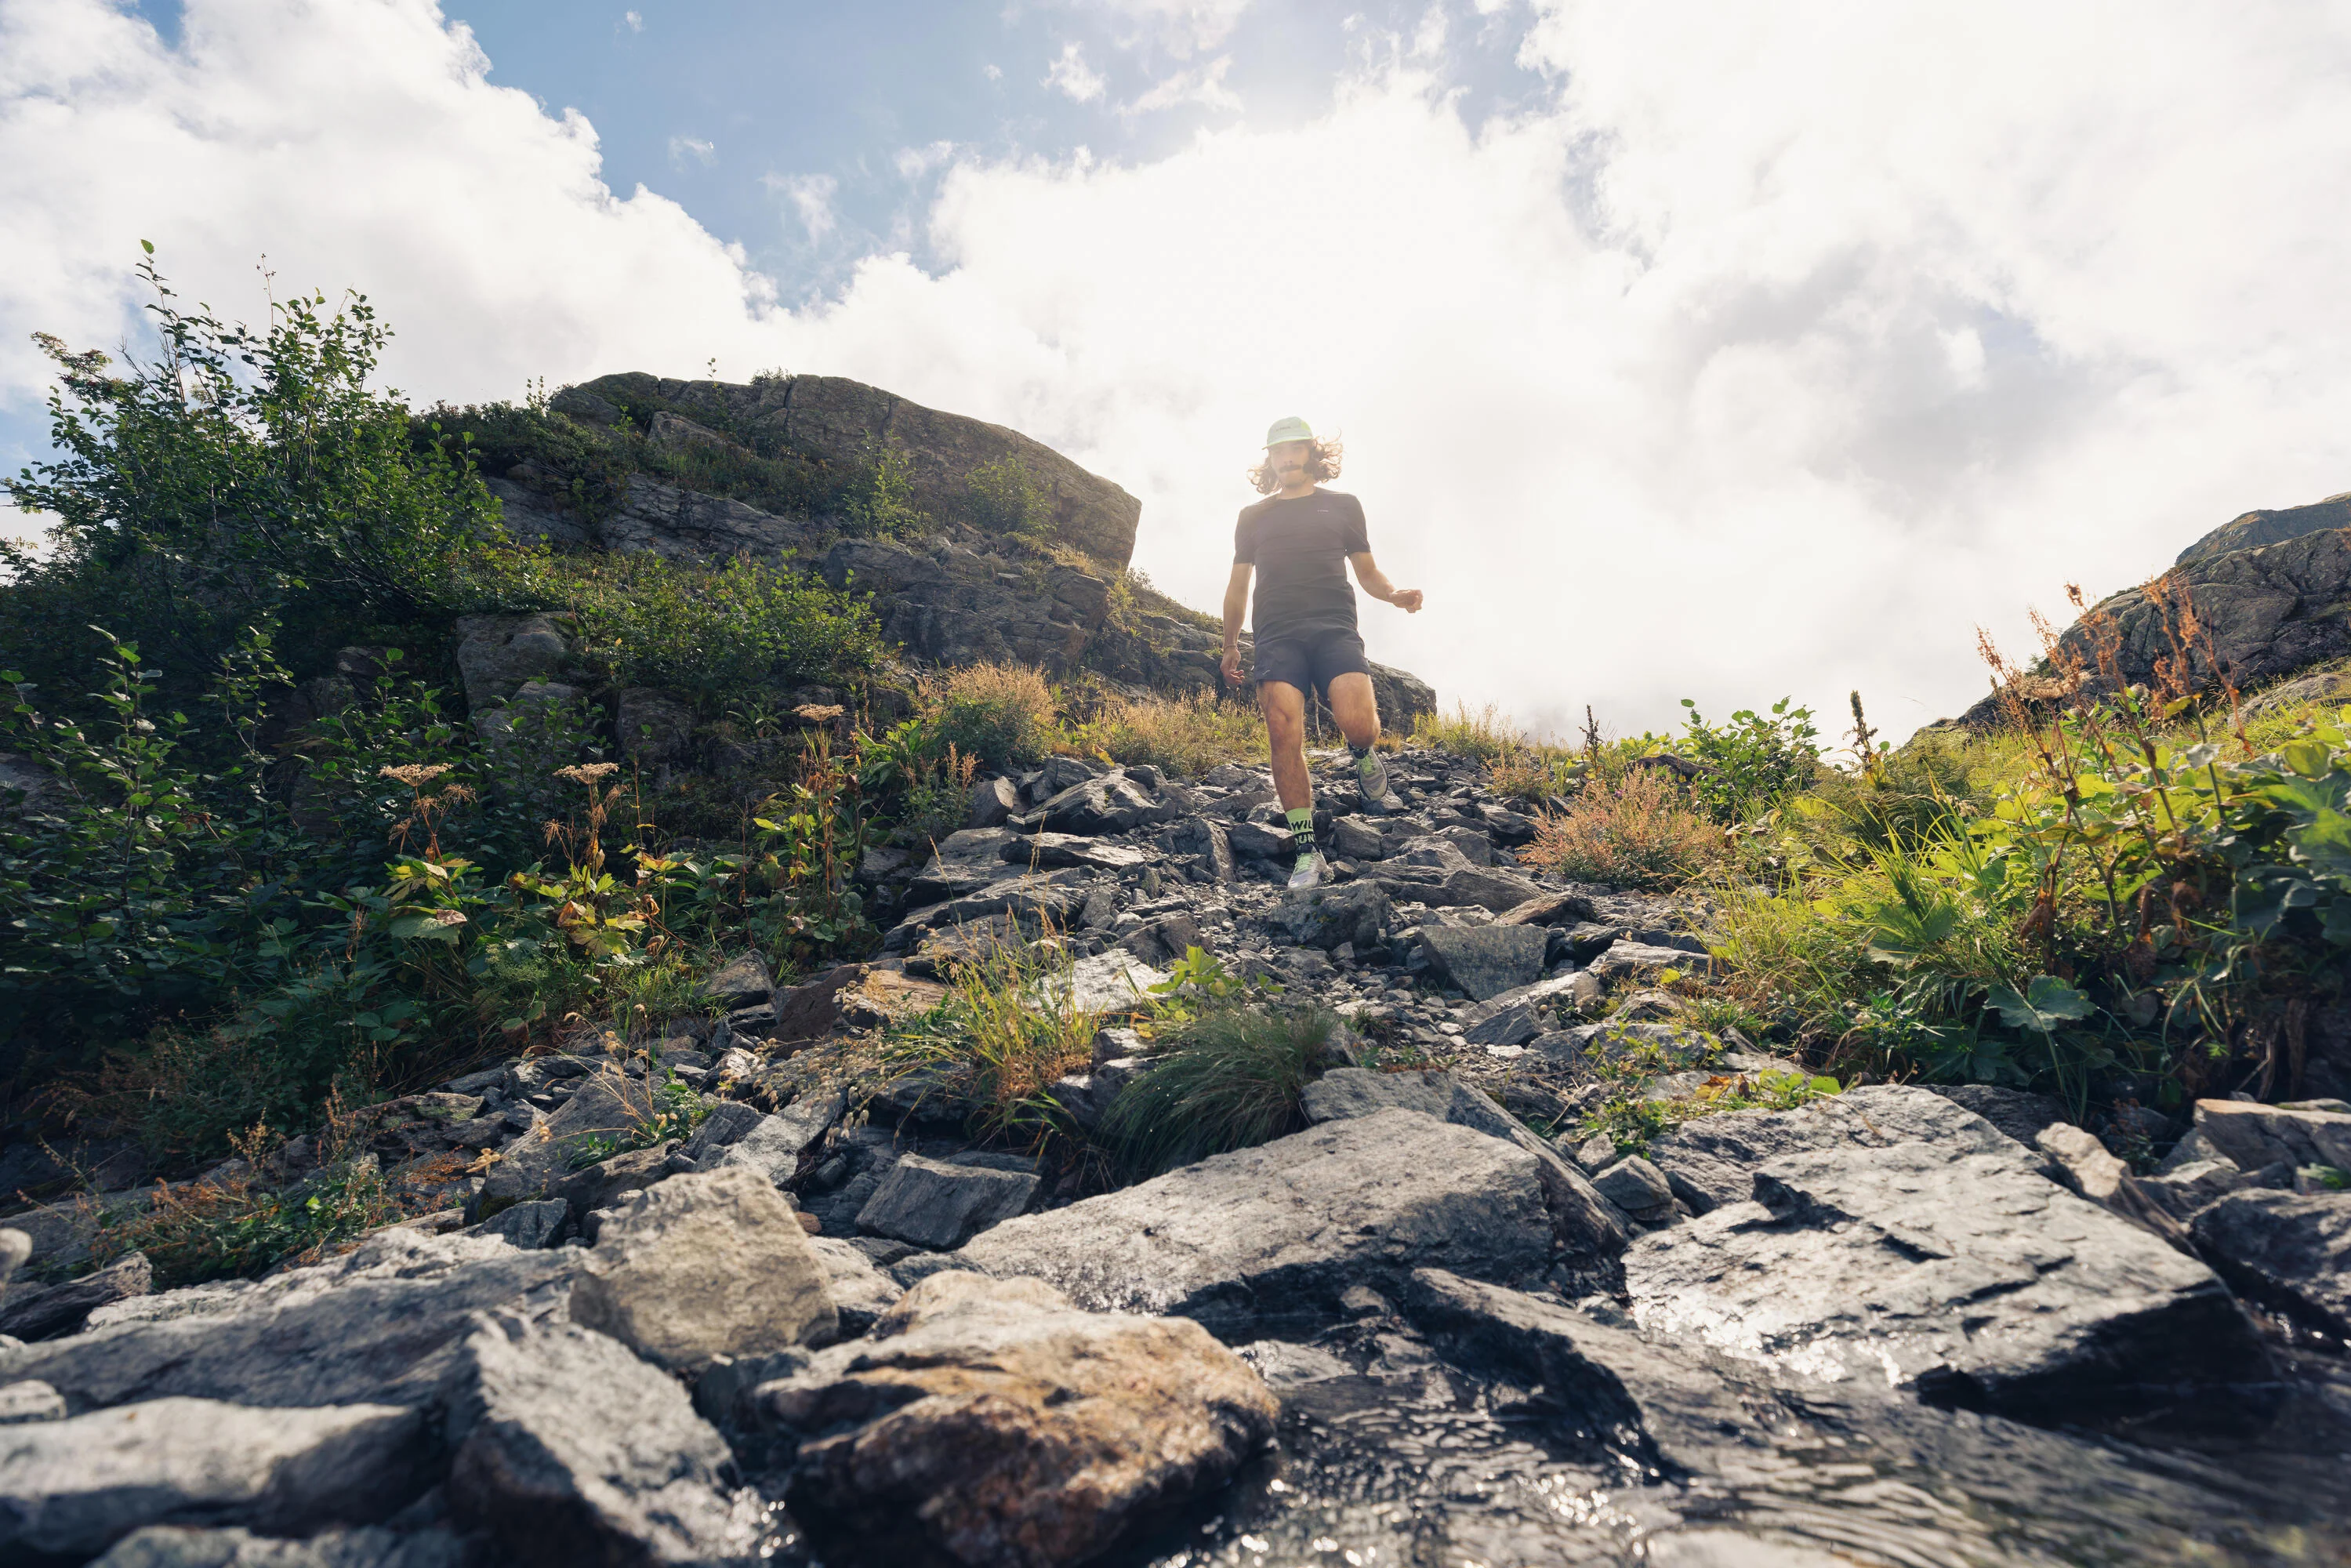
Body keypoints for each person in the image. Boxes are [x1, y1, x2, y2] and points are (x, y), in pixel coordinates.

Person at [1220, 416, 1424, 890]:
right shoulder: (1253, 517)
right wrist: (1231, 644)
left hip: (1334, 626)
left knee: (1356, 720)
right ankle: (1308, 853)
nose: (1286, 458)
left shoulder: (1344, 506)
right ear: (1269, 459)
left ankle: (1363, 754)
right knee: (1281, 726)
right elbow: (1237, 586)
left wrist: (1393, 595)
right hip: (1276, 634)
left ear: (1312, 453)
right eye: (1277, 451)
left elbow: (1368, 571)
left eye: (1295, 449)